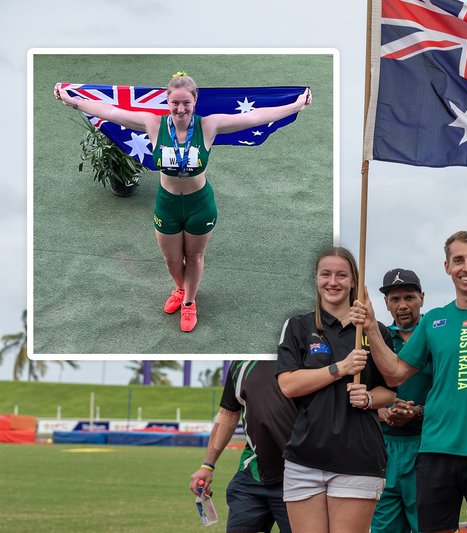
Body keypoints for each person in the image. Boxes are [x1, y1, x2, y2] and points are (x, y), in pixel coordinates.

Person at [55, 73, 312, 332]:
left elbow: (253, 117)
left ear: (195, 102)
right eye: (175, 102)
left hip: (200, 205)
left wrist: (294, 106)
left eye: (186, 103)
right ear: (167, 101)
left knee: (195, 255)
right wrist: (74, 101)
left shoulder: (209, 126)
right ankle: (181, 288)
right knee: (171, 259)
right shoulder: (153, 123)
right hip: (166, 204)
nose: (180, 109)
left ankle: (189, 301)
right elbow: (110, 111)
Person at [352, 230, 467, 533]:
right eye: (458, 260)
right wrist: (372, 326)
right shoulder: (434, 320)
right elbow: (395, 373)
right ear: (447, 267)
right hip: (436, 451)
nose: (466, 267)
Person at [276, 247, 395, 533]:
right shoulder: (298, 326)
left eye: (342, 275)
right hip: (304, 459)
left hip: (358, 458)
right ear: (316, 279)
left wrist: (367, 398)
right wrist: (338, 369)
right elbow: (289, 384)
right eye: (326, 274)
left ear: (354, 280)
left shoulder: (373, 330)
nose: (333, 282)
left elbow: (390, 390)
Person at [189, 360, 297, 532]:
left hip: (300, 478)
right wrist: (207, 466)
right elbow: (228, 415)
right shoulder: (242, 363)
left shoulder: (304, 355)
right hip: (252, 476)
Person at [371, 268, 432, 533]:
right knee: (382, 527)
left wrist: (419, 411)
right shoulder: (374, 339)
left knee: (427, 525)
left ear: (422, 298)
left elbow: (452, 393)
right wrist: (382, 412)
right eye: (395, 299)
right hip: (382, 447)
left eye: (409, 297)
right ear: (385, 303)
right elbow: (359, 390)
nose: (403, 305)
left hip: (427, 445)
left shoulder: (437, 336)